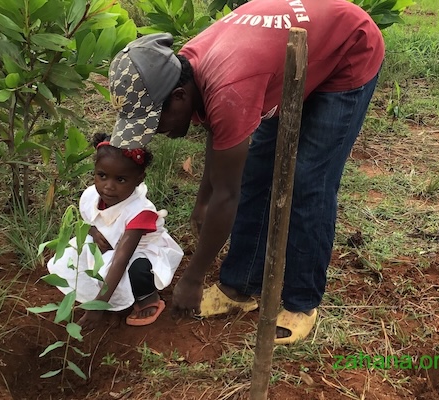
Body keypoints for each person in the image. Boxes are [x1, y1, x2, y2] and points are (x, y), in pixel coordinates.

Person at [107, 0, 385, 343]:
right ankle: (241, 285)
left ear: (178, 97)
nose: (155, 133)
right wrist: (202, 199)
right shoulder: (186, 66)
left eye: (154, 123)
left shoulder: (229, 88)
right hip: (281, 61)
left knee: (308, 181)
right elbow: (217, 131)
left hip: (347, 50)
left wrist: (193, 277)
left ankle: (302, 301)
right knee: (257, 173)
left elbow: (229, 193)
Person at [47, 133, 183, 330]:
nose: (108, 187)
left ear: (138, 179)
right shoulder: (92, 195)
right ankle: (110, 297)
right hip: (109, 244)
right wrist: (93, 232)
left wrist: (97, 308)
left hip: (139, 252)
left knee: (137, 269)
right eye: (102, 176)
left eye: (120, 180)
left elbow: (121, 259)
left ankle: (147, 298)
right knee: (76, 255)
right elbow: (88, 221)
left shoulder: (140, 211)